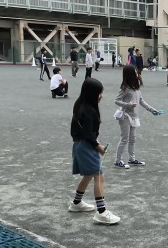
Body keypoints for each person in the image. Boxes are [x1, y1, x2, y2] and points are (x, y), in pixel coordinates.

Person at [69, 78, 120, 224]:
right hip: (86, 146)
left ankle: (77, 203)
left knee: (89, 175)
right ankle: (102, 212)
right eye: (99, 93)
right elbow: (89, 135)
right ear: (92, 94)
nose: (101, 95)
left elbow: (81, 132)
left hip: (80, 145)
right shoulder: (89, 111)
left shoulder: (80, 105)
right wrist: (98, 146)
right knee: (99, 176)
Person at [113, 64, 163, 169]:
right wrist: (128, 104)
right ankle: (118, 161)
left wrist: (152, 110)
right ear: (130, 74)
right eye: (135, 72)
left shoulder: (136, 87)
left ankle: (132, 159)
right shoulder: (125, 88)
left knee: (132, 139)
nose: (137, 73)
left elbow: (141, 101)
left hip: (134, 116)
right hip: (125, 116)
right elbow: (116, 100)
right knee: (124, 139)